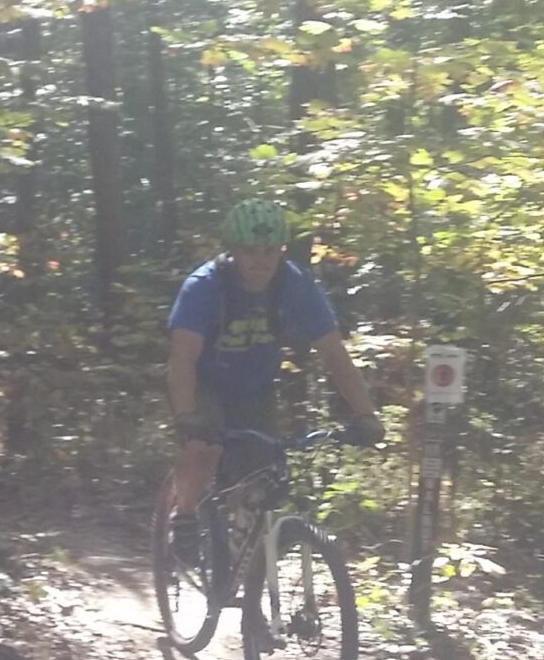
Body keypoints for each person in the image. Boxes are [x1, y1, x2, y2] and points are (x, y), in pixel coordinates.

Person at [160, 198, 385, 564]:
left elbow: (333, 353)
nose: (261, 261)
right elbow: (183, 356)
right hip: (203, 383)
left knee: (263, 480)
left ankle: (241, 574)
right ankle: (184, 515)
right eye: (250, 251)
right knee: (203, 449)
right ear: (233, 250)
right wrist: (186, 415)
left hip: (254, 387)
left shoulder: (293, 284)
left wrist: (365, 415)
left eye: (270, 251)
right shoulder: (204, 287)